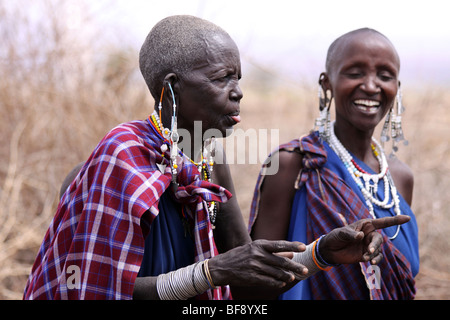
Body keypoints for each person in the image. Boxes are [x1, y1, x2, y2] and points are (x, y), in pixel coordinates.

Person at [23, 17, 410, 300]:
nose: (237, 92)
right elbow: (95, 288)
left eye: (238, 79)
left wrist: (323, 251)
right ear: (171, 90)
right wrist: (210, 273)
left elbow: (249, 280)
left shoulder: (210, 160)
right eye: (222, 78)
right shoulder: (121, 157)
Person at [248, 28, 419, 300]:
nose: (372, 86)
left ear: (396, 89)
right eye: (355, 73)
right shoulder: (293, 164)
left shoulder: (399, 177)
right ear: (327, 83)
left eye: (385, 76)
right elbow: (254, 284)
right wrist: (318, 255)